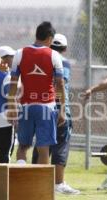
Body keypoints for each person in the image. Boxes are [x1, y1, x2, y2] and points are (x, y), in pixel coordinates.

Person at [7, 21, 66, 165]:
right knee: (43, 148)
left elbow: (13, 82)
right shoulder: (54, 55)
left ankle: (21, 180)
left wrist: (11, 106)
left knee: (22, 146)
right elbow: (60, 84)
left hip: (26, 106)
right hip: (47, 107)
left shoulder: (19, 53)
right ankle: (41, 185)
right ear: (50, 38)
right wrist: (62, 109)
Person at [31, 34, 80, 194]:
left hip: (39, 107)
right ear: (65, 49)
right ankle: (58, 183)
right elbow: (60, 84)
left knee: (41, 147)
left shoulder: (40, 60)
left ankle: (35, 181)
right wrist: (61, 109)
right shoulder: (62, 61)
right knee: (61, 145)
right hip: (57, 109)